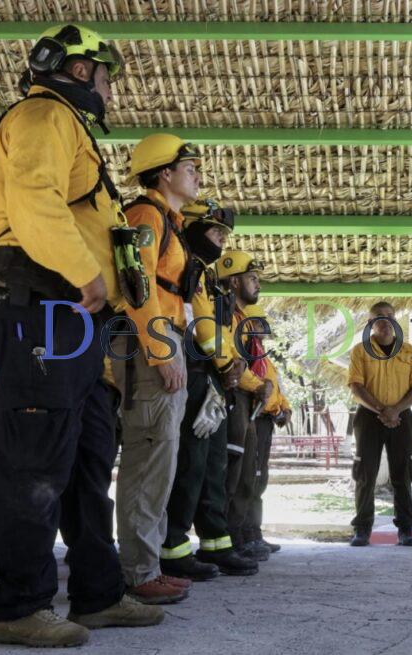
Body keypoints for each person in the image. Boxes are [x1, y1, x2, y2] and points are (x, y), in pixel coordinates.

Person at [0, 23, 161, 646]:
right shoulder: (42, 116)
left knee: (87, 458)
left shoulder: (66, 125)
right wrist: (87, 273)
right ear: (80, 71)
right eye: (106, 76)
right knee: (34, 462)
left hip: (69, 320)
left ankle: (97, 595)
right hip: (39, 311)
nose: (109, 89)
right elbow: (35, 201)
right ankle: (21, 608)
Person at [113, 133, 202, 604]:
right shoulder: (145, 216)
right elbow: (137, 286)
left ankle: (148, 565)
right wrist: (162, 352)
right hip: (151, 341)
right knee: (149, 457)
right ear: (164, 173)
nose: (198, 176)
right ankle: (138, 573)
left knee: (161, 458)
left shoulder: (166, 220)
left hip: (164, 336)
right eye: (190, 168)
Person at [160, 200, 258, 579]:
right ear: (194, 229)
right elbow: (199, 324)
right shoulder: (187, 267)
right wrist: (226, 363)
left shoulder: (204, 275)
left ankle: (217, 543)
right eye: (216, 231)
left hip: (212, 376)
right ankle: (173, 547)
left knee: (213, 466)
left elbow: (218, 329)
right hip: (196, 372)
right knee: (190, 464)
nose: (222, 239)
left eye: (224, 234)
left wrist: (232, 364)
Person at [347, 301, 412, 547]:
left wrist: (396, 410)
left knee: (403, 472)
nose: (385, 320)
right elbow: (356, 387)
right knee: (365, 474)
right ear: (371, 323)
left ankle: (406, 529)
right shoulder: (360, 351)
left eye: (390, 315)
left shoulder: (409, 351)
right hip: (369, 417)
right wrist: (383, 410)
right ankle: (362, 529)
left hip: (401, 417)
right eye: (379, 316)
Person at [216, 252, 276, 560]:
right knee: (233, 472)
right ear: (235, 281)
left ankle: (238, 537)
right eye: (252, 279)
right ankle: (227, 539)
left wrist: (265, 389)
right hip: (234, 398)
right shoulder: (224, 314)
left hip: (248, 400)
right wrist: (258, 385)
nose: (258, 285)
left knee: (247, 474)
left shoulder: (240, 320)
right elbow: (232, 362)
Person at [235, 303, 290, 555]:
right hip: (253, 419)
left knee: (259, 479)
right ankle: (245, 535)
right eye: (257, 323)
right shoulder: (246, 351)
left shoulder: (262, 355)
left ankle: (254, 532)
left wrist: (285, 408)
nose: (262, 329)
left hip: (267, 421)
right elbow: (253, 386)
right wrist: (274, 408)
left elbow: (274, 388)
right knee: (249, 479)